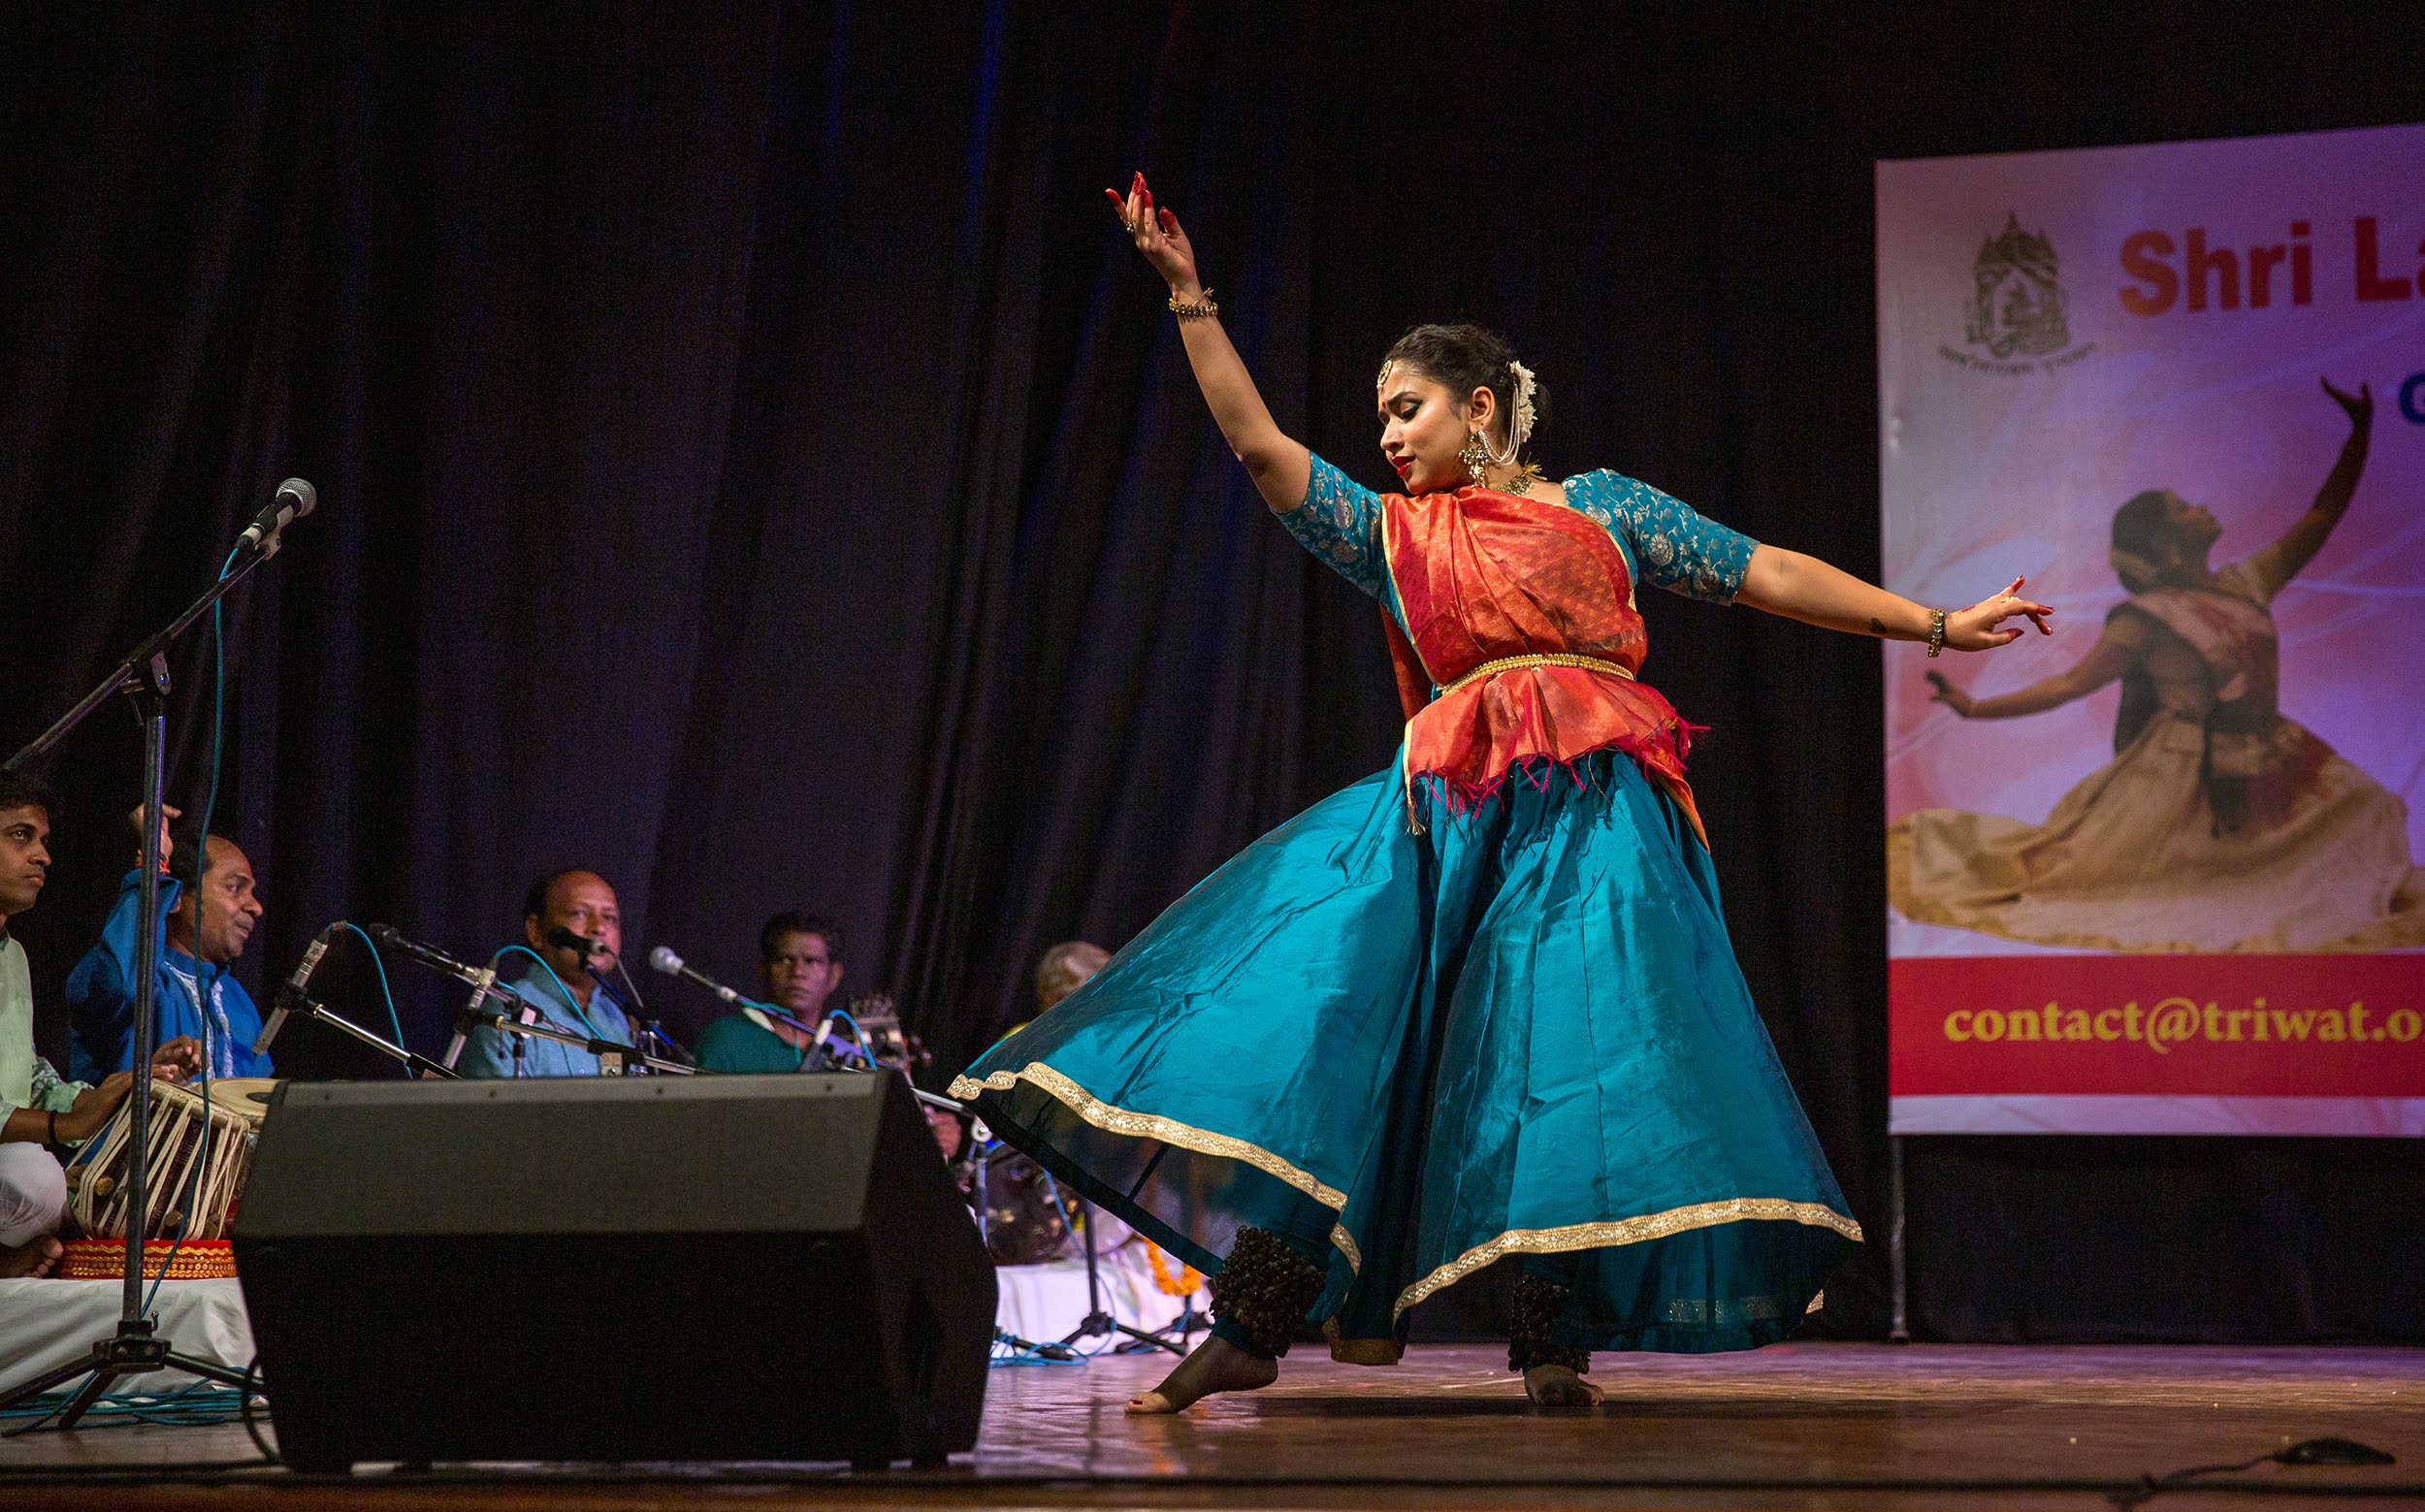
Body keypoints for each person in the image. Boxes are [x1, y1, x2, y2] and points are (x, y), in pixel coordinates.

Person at [950, 174, 2053, 1414]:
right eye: (1377, 417)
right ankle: (1256, 1317)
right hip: (1448, 814)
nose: (1385, 435)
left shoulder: (1603, 510)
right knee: (1356, 1039)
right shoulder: (1392, 535)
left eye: (1405, 409)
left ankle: (1550, 1340)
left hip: (1589, 817)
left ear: (1479, 408)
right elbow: (1263, 454)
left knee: (1563, 1050)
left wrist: (1941, 625)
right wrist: (1188, 296)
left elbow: (1765, 570)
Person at [1897, 379, 2420, 952]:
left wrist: (2360, 435)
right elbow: (2072, 683)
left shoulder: (2246, 582)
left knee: (2363, 817)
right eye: (2182, 509)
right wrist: (1974, 709)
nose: (2200, 507)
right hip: (2181, 778)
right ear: (2169, 543)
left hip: (2269, 762)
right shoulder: (2145, 617)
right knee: (2149, 901)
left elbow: (2321, 517)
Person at [2, 773, 202, 1278]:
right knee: (32, 1177)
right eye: (20, 835)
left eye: (44, 841)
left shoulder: (13, 956)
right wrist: (65, 1126)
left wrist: (106, 1094)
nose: (43, 856)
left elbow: (25, 1075)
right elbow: (118, 980)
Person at [65, 808, 271, 1088]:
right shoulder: (137, 977)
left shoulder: (237, 1000)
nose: (256, 907)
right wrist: (154, 862)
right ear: (176, 898)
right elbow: (121, 986)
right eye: (235, 888)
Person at [456, 869, 635, 1078]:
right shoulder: (508, 1010)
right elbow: (496, 1109)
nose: (599, 928)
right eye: (579, 913)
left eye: (610, 917)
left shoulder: (612, 1017)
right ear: (536, 931)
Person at [695, 913, 847, 1073]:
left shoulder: (842, 1056)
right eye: (785, 960)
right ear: (763, 970)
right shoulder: (726, 1039)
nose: (798, 971)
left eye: (811, 961)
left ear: (834, 976)